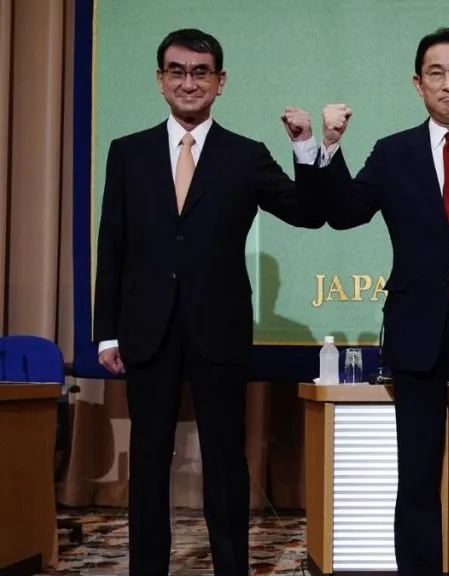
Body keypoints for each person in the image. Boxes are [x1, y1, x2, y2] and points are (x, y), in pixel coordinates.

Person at [290, 27, 449, 576]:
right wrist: (328, 146)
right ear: (418, 84)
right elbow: (345, 213)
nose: (448, 84)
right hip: (417, 326)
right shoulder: (394, 152)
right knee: (416, 471)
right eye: (436, 73)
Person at [93, 28, 328, 576]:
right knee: (149, 460)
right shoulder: (127, 152)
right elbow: (113, 244)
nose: (188, 82)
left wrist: (304, 146)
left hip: (218, 328)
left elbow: (307, 213)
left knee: (224, 460)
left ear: (220, 82)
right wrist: (107, 331)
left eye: (201, 72)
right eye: (177, 71)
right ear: (160, 80)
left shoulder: (246, 155)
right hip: (146, 327)